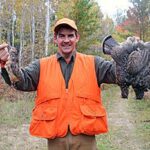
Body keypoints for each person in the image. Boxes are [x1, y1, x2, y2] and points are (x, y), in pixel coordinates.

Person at [0, 18, 117, 150]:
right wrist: (7, 64)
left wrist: (125, 55)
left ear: (77, 37)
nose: (66, 40)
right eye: (61, 36)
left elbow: (116, 74)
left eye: (70, 35)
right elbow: (21, 81)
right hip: (56, 139)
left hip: (85, 138)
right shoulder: (41, 66)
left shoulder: (94, 64)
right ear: (55, 39)